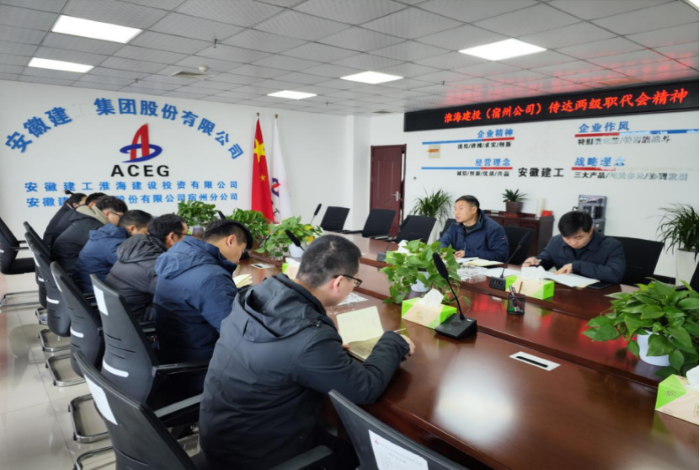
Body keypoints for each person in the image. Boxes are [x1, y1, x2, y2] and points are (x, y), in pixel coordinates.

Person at [200, 235, 414, 470]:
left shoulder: (257, 293)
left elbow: (287, 348)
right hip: (255, 456)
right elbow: (365, 388)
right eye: (355, 281)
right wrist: (393, 342)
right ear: (338, 282)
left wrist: (324, 350)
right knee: (363, 458)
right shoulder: (309, 337)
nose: (354, 286)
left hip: (221, 435)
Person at [153, 219, 252, 394]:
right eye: (241, 251)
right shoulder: (211, 277)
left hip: (173, 350)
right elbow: (240, 335)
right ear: (231, 240)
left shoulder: (178, 255)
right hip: (203, 367)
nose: (239, 259)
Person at [105, 214, 187, 323]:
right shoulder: (157, 267)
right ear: (172, 237)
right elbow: (179, 297)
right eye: (186, 234)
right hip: (136, 318)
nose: (189, 239)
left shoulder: (137, 247)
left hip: (118, 312)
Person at [523, 211, 626, 284]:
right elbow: (545, 259)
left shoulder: (612, 246)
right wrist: (534, 263)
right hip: (564, 293)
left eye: (578, 237)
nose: (573, 243)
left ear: (590, 231)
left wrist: (577, 266)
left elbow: (615, 275)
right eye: (567, 238)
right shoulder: (556, 241)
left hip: (597, 296)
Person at [73, 210, 152, 294]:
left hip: (90, 285)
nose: (147, 235)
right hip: (98, 293)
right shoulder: (115, 245)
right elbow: (138, 269)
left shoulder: (107, 234)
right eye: (146, 232)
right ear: (132, 228)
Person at [51, 196, 127, 277]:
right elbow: (117, 254)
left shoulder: (86, 219)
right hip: (75, 275)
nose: (121, 221)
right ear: (107, 214)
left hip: (70, 270)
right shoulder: (95, 229)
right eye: (120, 217)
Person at [439, 195, 509, 262]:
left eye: (461, 208)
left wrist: (467, 254)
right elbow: (442, 242)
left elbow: (501, 255)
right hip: (459, 266)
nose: (456, 212)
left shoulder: (493, 228)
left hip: (483, 268)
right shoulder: (455, 225)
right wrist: (445, 252)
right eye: (455, 209)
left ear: (473, 210)